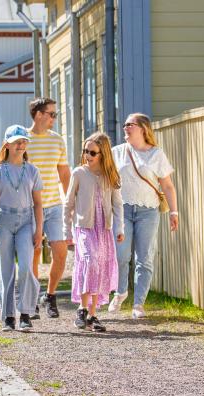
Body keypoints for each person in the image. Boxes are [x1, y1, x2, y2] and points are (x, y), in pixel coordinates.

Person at [109, 113, 179, 319]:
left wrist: (174, 212)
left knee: (145, 258)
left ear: (143, 128)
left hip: (148, 211)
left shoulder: (156, 154)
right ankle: (120, 292)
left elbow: (167, 185)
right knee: (121, 255)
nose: (125, 128)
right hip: (122, 210)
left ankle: (139, 304)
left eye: (130, 124)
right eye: (124, 124)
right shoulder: (117, 152)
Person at [63, 132, 124, 332]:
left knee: (100, 266)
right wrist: (67, 231)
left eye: (92, 152)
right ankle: (82, 307)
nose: (87, 155)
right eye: (85, 151)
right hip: (85, 228)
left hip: (103, 230)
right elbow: (68, 203)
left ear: (103, 154)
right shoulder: (79, 173)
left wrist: (119, 228)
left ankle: (93, 315)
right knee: (89, 260)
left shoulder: (110, 176)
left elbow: (118, 204)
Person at [0, 125, 44, 332]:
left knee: (26, 267)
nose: (21, 145)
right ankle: (8, 316)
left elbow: (38, 203)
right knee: (6, 270)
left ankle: (26, 314)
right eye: (17, 141)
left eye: (24, 141)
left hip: (26, 222)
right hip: (3, 221)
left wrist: (39, 230)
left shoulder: (32, 170)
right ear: (8, 144)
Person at [26, 97, 70, 318]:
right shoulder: (22, 139)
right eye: (52, 114)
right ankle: (31, 299)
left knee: (61, 252)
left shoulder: (58, 141)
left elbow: (64, 173)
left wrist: (71, 203)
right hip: (30, 207)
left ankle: (50, 296)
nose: (54, 118)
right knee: (33, 253)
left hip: (55, 205)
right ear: (39, 114)